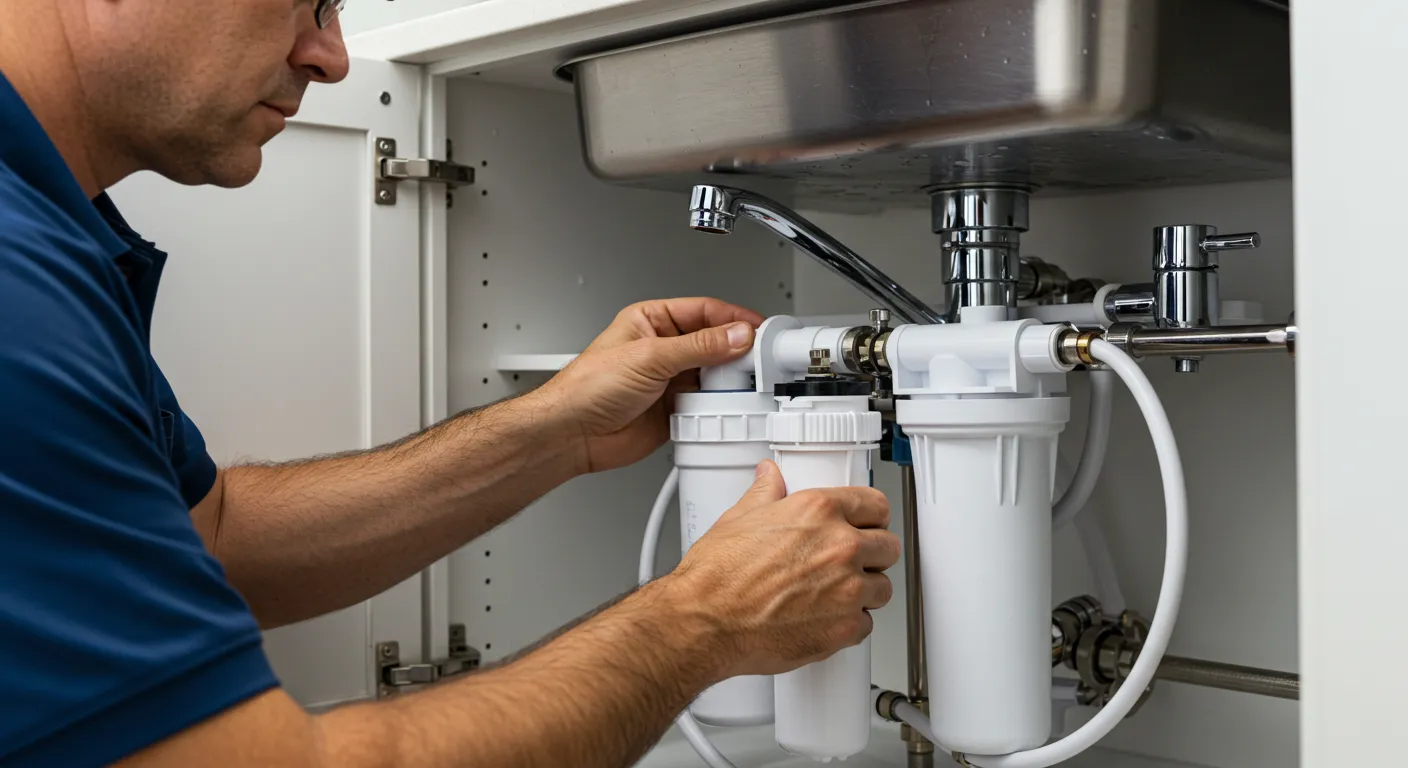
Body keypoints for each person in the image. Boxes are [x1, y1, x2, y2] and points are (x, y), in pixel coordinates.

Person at [0, 2, 902, 766]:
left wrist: (562, 430)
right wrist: (703, 623)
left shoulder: (53, 235)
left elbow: (213, 538)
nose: (331, 54)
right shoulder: (15, 286)